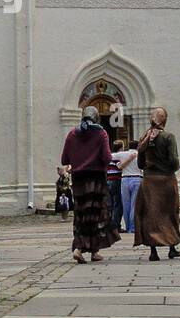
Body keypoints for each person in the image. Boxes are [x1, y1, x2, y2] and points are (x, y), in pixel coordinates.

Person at [60, 105, 121, 263]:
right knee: (97, 214)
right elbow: (107, 158)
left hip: (79, 180)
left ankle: (94, 251)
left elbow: (64, 160)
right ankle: (80, 249)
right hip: (96, 179)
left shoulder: (73, 134)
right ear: (96, 118)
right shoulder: (101, 133)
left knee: (82, 214)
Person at [133, 107, 180, 262]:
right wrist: (172, 168)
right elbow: (174, 161)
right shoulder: (168, 137)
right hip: (166, 181)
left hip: (149, 182)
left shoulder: (143, 138)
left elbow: (140, 164)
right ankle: (172, 247)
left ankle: (153, 251)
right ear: (165, 120)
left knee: (151, 215)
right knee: (169, 213)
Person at [118, 140, 141, 234]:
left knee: (126, 205)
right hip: (137, 179)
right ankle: (132, 228)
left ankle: (127, 226)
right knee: (134, 205)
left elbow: (111, 157)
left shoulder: (123, 154)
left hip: (124, 179)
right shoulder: (141, 154)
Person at [106, 140, 124, 233]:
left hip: (109, 180)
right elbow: (120, 167)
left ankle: (110, 224)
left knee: (111, 204)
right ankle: (116, 226)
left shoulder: (109, 157)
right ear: (120, 148)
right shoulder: (117, 157)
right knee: (118, 204)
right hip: (116, 180)